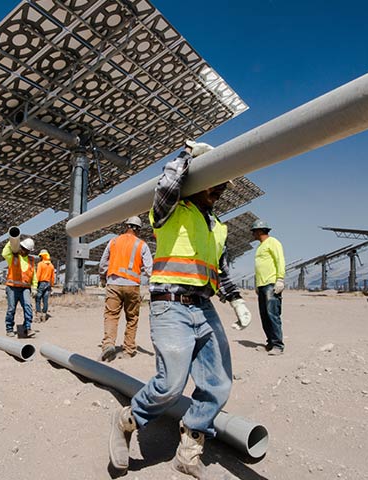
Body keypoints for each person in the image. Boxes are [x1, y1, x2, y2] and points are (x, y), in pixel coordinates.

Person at [108, 140, 252, 478]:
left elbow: (221, 269)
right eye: (214, 181)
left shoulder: (218, 226)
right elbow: (169, 183)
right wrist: (190, 158)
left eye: (222, 185)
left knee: (217, 382)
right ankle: (128, 420)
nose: (218, 189)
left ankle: (189, 448)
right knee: (171, 384)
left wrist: (236, 300)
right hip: (170, 306)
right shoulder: (169, 210)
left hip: (204, 307)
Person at [97, 216, 152, 362]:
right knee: (132, 318)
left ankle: (108, 344)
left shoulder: (113, 241)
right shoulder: (142, 245)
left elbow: (103, 263)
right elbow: (149, 269)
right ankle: (128, 349)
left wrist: (103, 277)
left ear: (126, 226)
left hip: (113, 283)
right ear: (138, 229)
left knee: (111, 316)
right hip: (132, 285)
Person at [251, 219, 286, 354]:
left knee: (272, 314)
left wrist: (280, 279)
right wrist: (257, 284)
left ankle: (278, 345)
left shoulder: (273, 242)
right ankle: (270, 343)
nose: (253, 234)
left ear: (260, 231)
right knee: (264, 315)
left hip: (271, 284)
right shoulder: (260, 246)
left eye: (254, 231)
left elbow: (280, 260)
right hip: (262, 285)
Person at [2, 237, 37, 337]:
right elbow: (4, 253)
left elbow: (34, 274)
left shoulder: (31, 260)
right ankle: (9, 328)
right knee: (11, 308)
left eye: (27, 250)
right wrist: (13, 241)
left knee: (28, 306)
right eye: (23, 249)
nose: (24, 251)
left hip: (25, 288)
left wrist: (34, 287)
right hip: (12, 287)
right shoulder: (13, 257)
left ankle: (27, 328)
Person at [34, 249, 55, 322]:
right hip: (48, 284)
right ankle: (44, 315)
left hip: (41, 283)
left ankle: (38, 315)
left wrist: (35, 284)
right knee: (45, 300)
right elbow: (52, 277)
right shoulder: (51, 266)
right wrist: (51, 285)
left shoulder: (40, 264)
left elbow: (38, 274)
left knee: (38, 299)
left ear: (42, 256)